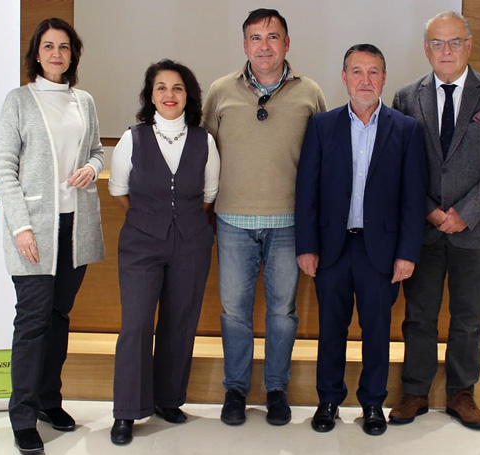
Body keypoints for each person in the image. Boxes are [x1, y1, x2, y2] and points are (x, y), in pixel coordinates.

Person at [389, 10, 480, 430]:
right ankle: (415, 391)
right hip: (423, 228)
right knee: (419, 316)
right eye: (437, 43)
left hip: (476, 228)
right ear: (426, 48)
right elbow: (400, 166)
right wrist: (429, 208)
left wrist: (465, 213)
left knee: (469, 318)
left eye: (454, 42)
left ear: (469, 44)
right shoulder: (407, 97)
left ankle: (462, 393)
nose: (446, 51)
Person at [201, 8, 326, 426]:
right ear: (245, 45)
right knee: (234, 312)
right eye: (256, 38)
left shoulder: (309, 92)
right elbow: (203, 156)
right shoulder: (220, 91)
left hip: (289, 224)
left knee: (282, 312)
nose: (265, 45)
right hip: (233, 221)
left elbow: (323, 158)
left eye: (273, 37)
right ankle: (235, 391)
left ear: (287, 43)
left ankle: (276, 389)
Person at [295, 44, 427, 436]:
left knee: (376, 329)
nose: (365, 80)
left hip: (381, 252)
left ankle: (372, 403)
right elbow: (307, 192)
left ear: (384, 78)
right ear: (344, 77)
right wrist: (306, 245)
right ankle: (329, 399)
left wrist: (406, 253)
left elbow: (412, 198)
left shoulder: (406, 130)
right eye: (357, 71)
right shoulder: (322, 125)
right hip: (333, 248)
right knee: (331, 328)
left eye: (373, 72)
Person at [0, 18, 105, 454]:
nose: (57, 53)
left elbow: (97, 150)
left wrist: (93, 168)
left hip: (74, 227)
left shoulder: (85, 101)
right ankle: (22, 415)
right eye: (48, 46)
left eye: (64, 47)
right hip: (34, 228)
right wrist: (21, 227)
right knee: (33, 321)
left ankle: (48, 402)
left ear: (73, 54)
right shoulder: (19, 101)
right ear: (36, 54)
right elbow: (5, 167)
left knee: (59, 319)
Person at [108, 59, 220, 445]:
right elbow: (118, 190)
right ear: (150, 94)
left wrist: (180, 222)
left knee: (180, 322)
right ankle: (126, 411)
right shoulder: (132, 138)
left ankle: (169, 400)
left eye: (177, 88)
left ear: (187, 95)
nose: (169, 95)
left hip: (191, 242)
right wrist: (152, 220)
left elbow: (208, 196)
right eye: (161, 87)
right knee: (137, 324)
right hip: (141, 243)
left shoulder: (203, 139)